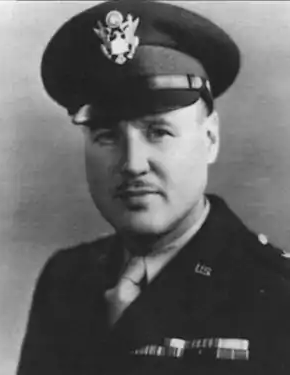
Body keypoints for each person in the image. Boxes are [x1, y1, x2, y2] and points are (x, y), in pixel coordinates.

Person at [17, 1, 290, 374]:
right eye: (107, 135)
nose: (132, 163)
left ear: (209, 140)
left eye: (158, 132)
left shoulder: (276, 292)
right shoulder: (64, 280)